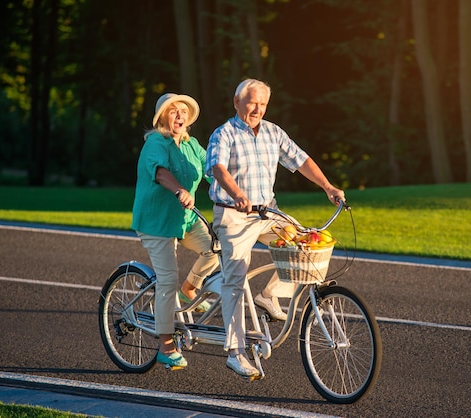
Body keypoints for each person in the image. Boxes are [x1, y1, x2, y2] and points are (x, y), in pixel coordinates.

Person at [205, 79, 345, 377]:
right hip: (234, 214)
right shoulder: (224, 133)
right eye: (252, 102)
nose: (257, 109)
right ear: (237, 102)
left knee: (305, 248)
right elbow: (217, 168)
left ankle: (269, 295)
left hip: (267, 212)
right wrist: (239, 195)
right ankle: (235, 352)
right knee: (235, 278)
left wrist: (327, 186)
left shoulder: (272, 132)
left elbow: (301, 160)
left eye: (262, 104)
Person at [132, 93, 219, 370]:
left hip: (184, 219)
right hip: (157, 221)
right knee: (167, 281)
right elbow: (159, 173)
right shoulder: (156, 142)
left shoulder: (192, 145)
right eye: (173, 111)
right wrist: (180, 189)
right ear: (162, 118)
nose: (179, 115)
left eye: (183, 111)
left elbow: (213, 170)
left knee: (214, 249)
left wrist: (235, 186)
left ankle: (189, 290)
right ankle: (165, 346)